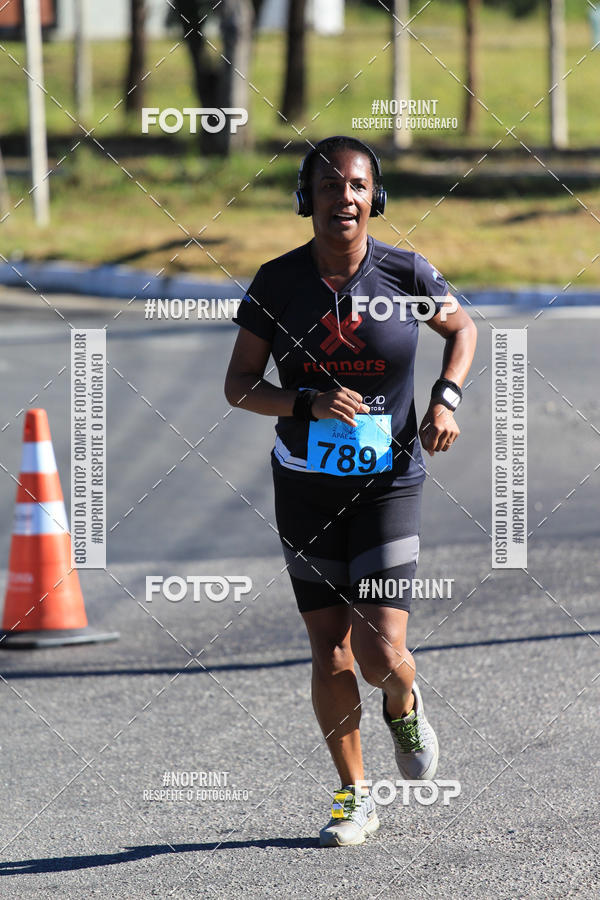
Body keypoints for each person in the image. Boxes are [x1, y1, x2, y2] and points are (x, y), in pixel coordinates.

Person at [224, 135, 477, 847]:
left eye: (358, 185)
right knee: (329, 649)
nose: (345, 198)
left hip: (388, 483)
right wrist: (303, 403)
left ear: (376, 197)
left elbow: (462, 329)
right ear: (308, 199)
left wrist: (445, 399)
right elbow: (238, 386)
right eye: (330, 186)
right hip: (304, 487)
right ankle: (354, 795)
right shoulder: (276, 283)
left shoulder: (406, 273)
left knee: (376, 651)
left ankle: (403, 701)